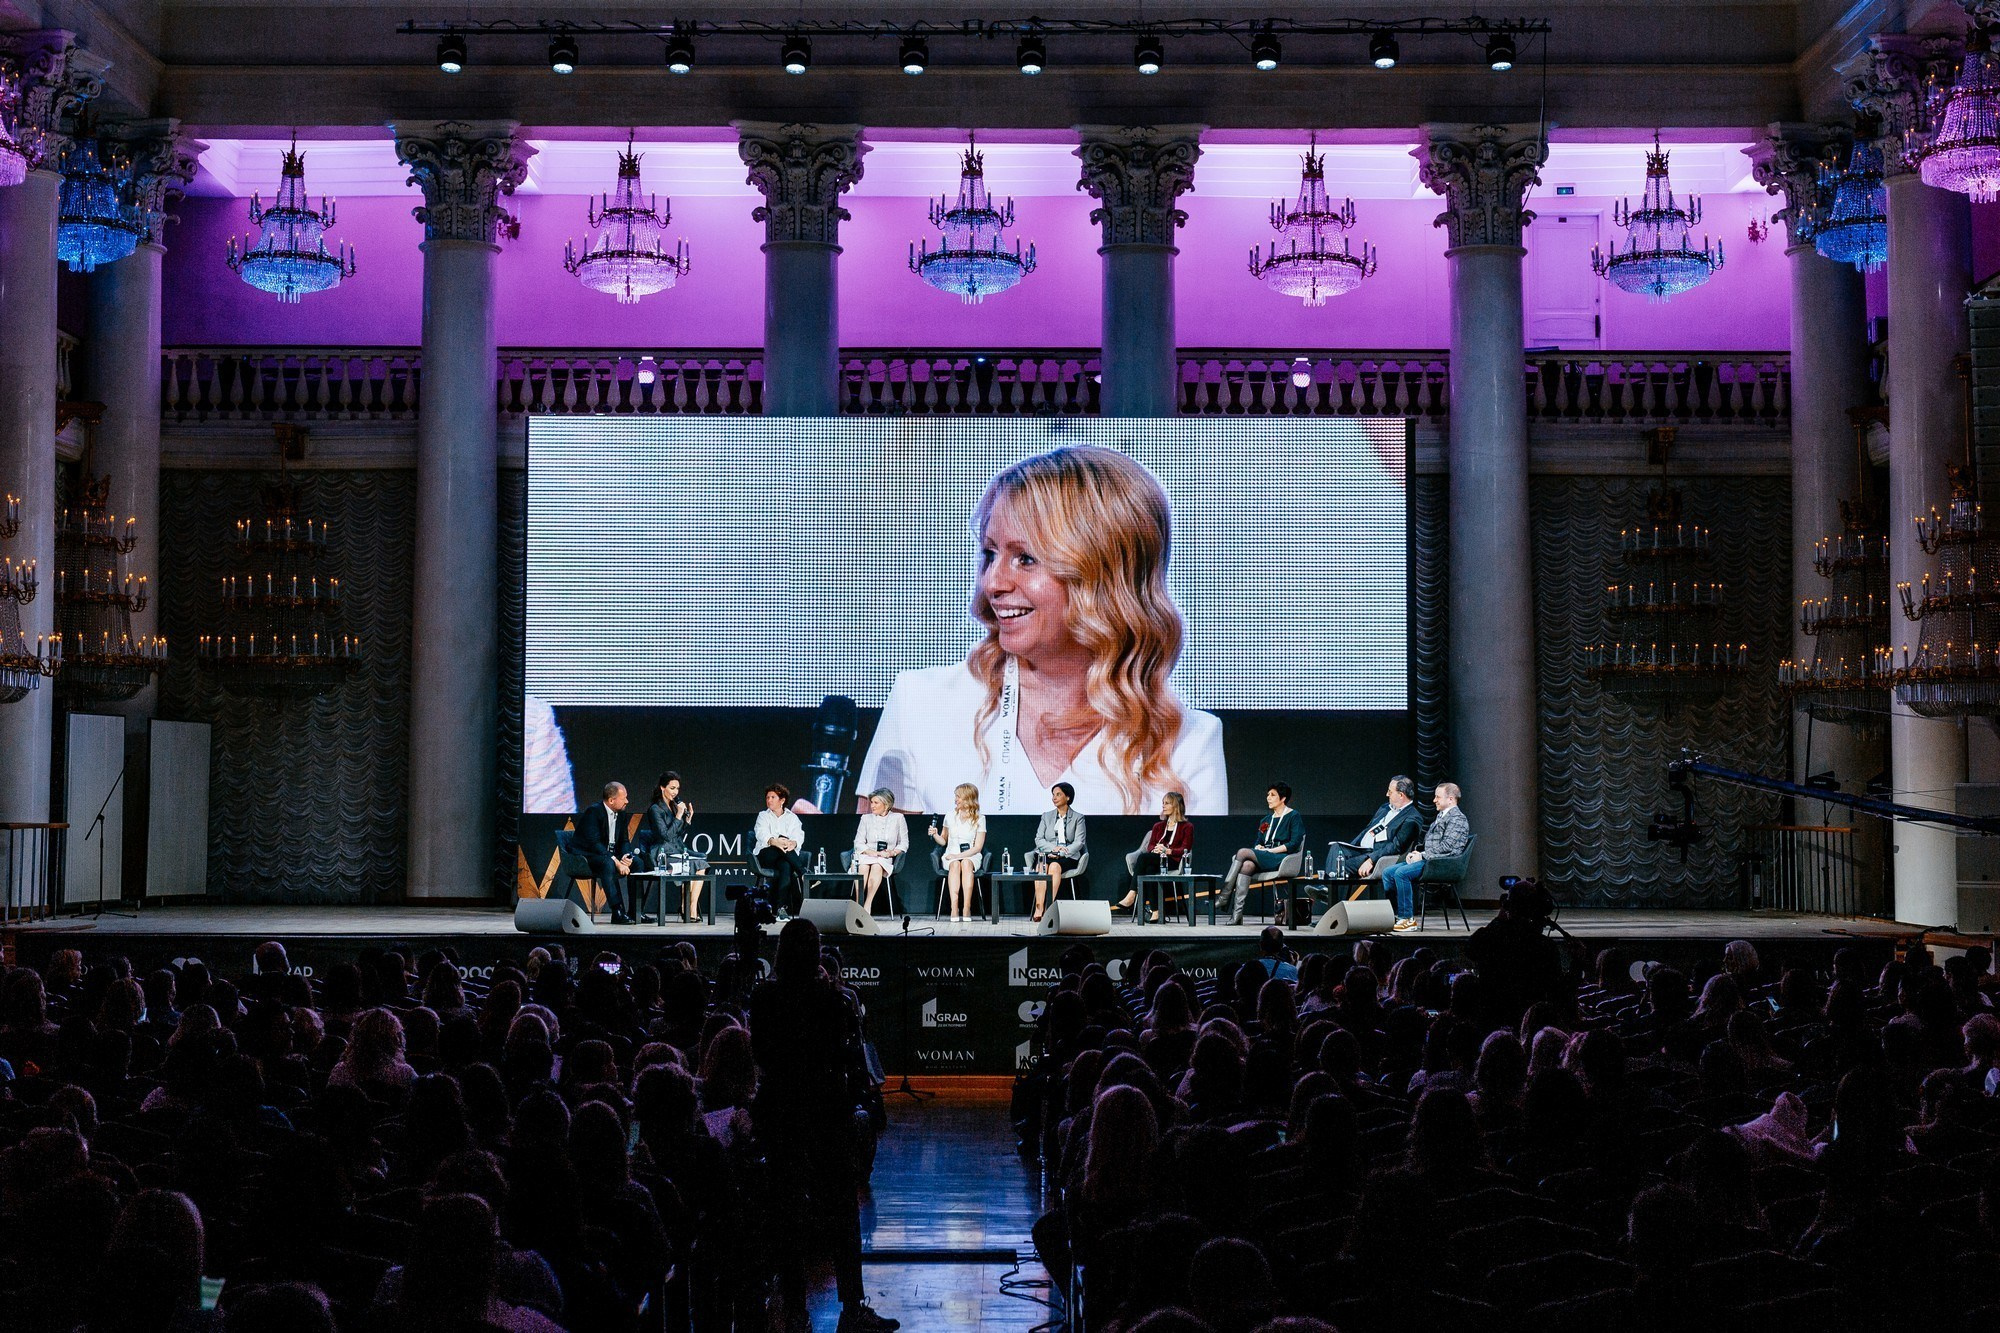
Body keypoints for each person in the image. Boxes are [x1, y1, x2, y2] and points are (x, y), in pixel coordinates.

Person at [857, 446, 1227, 816]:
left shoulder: (1186, 743)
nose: (993, 582)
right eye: (989, 554)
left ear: (1102, 576)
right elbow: (879, 859)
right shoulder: (920, 705)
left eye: (1026, 559)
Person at [750, 919, 900, 1332]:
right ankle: (852, 1307)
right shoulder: (831, 998)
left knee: (787, 1212)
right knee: (840, 1212)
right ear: (816, 953)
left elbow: (760, 1051)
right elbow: (850, 1052)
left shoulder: (764, 995)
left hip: (781, 1111)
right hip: (826, 1112)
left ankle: (795, 1308)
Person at [1379, 782, 1472, 931]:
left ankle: (1407, 919)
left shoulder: (1457, 819)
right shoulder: (1441, 816)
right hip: (1431, 860)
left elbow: (1447, 847)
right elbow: (1432, 844)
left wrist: (1422, 856)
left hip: (1443, 864)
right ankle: (1396, 915)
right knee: (1388, 873)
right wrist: (1417, 853)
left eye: (1437, 797)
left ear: (1450, 799)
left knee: (1401, 874)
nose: (1434, 800)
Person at [1225, 783, 1303, 926]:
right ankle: (1236, 915)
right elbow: (1258, 841)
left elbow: (1294, 843)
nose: (1268, 798)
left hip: (1281, 858)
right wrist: (1258, 847)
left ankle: (1225, 895)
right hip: (1265, 856)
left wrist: (1271, 851)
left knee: (1242, 852)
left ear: (1283, 798)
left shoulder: (1293, 816)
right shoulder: (1266, 820)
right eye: (1268, 795)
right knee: (1247, 865)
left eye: (1272, 795)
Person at [641, 771, 708, 920]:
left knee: (701, 864)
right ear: (662, 788)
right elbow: (665, 835)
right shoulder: (655, 810)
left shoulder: (673, 806)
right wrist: (678, 816)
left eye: (677, 788)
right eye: (672, 788)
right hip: (661, 853)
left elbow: (677, 834)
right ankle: (688, 910)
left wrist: (687, 820)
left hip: (676, 849)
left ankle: (688, 907)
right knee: (692, 864)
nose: (675, 792)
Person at [1116, 790, 1194, 916]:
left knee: (1143, 858)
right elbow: (1150, 845)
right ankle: (1156, 911)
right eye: (1163, 803)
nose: (1163, 806)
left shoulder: (1187, 826)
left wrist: (1168, 851)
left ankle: (1132, 893)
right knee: (1149, 869)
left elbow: (1185, 848)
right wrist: (1156, 849)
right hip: (1157, 858)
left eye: (1167, 803)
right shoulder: (1158, 826)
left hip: (1173, 861)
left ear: (1176, 806)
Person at [1332, 775, 1424, 883]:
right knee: (1337, 848)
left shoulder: (1412, 818)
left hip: (1378, 855)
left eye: (1390, 792)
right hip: (1362, 850)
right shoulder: (1384, 808)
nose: (1386, 794)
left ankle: (1329, 893)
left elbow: (1396, 847)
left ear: (1400, 795)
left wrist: (1371, 860)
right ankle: (1327, 889)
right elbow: (1367, 829)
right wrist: (1351, 846)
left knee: (1342, 865)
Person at [572, 781, 636, 924]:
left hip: (607, 854)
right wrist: (616, 861)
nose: (627, 801)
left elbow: (624, 840)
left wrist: (625, 857)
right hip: (586, 856)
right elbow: (594, 844)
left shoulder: (621, 813)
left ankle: (636, 911)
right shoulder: (593, 812)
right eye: (624, 798)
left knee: (638, 863)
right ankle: (617, 911)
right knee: (608, 864)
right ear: (611, 800)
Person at [931, 783, 987, 923]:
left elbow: (978, 847)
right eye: (955, 796)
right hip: (951, 854)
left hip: (971, 855)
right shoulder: (950, 816)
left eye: (958, 796)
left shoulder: (980, 818)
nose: (955, 799)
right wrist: (935, 835)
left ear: (968, 798)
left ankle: (966, 908)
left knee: (966, 864)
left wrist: (959, 856)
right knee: (955, 865)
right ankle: (954, 907)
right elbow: (943, 842)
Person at [1032, 782, 1088, 923]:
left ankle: (1049, 908)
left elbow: (1079, 842)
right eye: (1053, 795)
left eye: (1058, 794)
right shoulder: (1046, 816)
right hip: (1047, 853)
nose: (1054, 798)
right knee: (1041, 867)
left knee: (1055, 867)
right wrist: (1053, 849)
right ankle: (1039, 908)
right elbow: (1039, 839)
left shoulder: (1078, 817)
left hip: (1067, 856)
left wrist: (1062, 852)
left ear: (1067, 797)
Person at [851, 787, 909, 915]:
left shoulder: (898, 818)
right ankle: (858, 902)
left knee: (877, 865)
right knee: (863, 866)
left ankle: (868, 904)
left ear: (886, 804)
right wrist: (874, 853)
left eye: (876, 803)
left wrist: (892, 853)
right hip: (867, 854)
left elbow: (904, 843)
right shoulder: (865, 819)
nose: (872, 805)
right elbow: (858, 842)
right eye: (871, 802)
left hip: (886, 857)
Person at [753, 783, 809, 914]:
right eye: (767, 797)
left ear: (782, 800)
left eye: (773, 797)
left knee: (785, 865)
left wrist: (793, 843)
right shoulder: (763, 815)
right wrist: (774, 841)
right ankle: (804, 873)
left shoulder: (792, 817)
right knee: (780, 843)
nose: (769, 800)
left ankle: (781, 908)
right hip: (766, 854)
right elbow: (760, 833)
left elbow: (798, 835)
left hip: (784, 856)